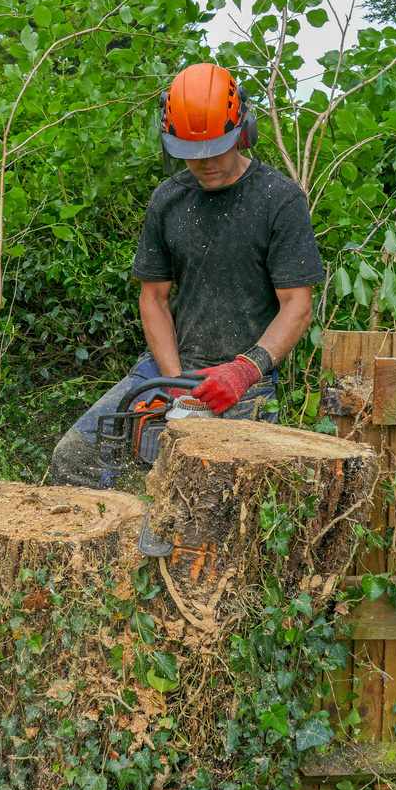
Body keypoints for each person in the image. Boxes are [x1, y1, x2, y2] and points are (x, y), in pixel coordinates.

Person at [51, 62, 325, 490]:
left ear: (244, 130)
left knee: (221, 494)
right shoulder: (169, 200)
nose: (206, 163)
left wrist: (243, 370)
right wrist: (175, 381)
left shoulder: (279, 198)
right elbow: (154, 298)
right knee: (74, 458)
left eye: (217, 148)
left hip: (243, 379)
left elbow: (298, 306)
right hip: (166, 370)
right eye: (193, 153)